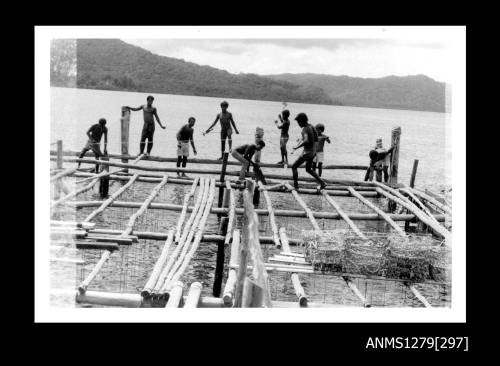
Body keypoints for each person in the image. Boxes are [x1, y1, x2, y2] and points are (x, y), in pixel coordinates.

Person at [291, 113, 326, 190]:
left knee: (294, 166)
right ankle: (322, 183)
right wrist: (313, 150)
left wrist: (297, 147)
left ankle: (296, 186)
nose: (298, 124)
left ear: (302, 121)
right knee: (308, 169)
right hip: (313, 152)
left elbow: (306, 141)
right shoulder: (312, 126)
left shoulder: (305, 129)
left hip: (307, 152)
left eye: (298, 122)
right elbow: (316, 139)